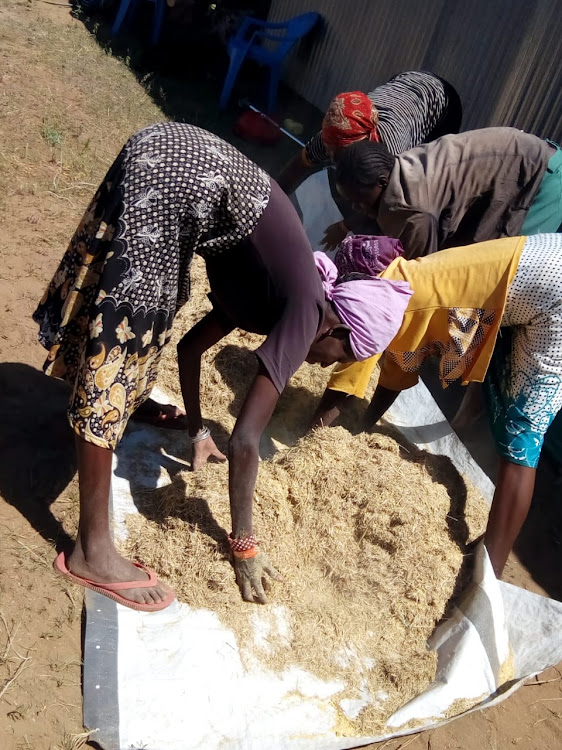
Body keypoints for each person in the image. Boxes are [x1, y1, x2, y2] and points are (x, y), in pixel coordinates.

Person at [34, 122, 403, 610]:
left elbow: (190, 350)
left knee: (153, 308)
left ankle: (127, 403)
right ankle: (92, 551)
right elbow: (247, 440)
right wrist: (244, 544)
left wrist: (195, 431)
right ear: (339, 331)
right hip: (182, 175)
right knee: (125, 334)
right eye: (344, 357)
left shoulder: (271, 290)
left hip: (175, 152)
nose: (323, 367)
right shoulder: (308, 309)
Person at [324, 234, 562, 577]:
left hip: (553, 296)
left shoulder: (367, 312)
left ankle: (486, 574)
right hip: (531, 272)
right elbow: (399, 365)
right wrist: (363, 426)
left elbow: (347, 378)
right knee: (500, 377)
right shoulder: (400, 290)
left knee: (522, 436)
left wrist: (317, 432)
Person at [276, 71, 462, 249]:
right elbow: (298, 166)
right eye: (330, 152)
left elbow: (387, 198)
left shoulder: (391, 151)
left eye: (338, 155)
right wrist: (270, 201)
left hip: (441, 104)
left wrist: (344, 227)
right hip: (406, 80)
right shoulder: (333, 135)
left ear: (364, 143)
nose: (332, 158)